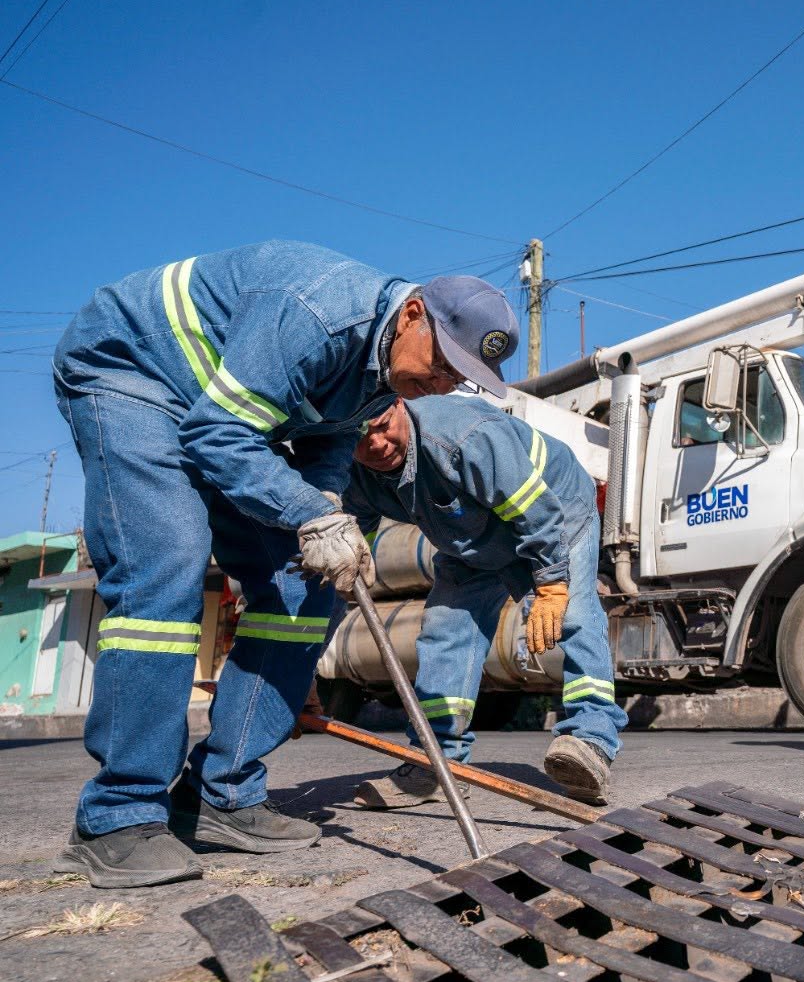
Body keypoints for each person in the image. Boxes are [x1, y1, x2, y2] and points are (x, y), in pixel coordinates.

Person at [51, 242, 518, 888]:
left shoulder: (380, 368)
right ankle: (117, 814)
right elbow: (216, 434)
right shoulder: (317, 313)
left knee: (303, 589)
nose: (440, 384)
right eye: (441, 361)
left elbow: (327, 440)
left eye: (456, 378)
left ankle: (223, 793)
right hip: (133, 368)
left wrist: (324, 508)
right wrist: (307, 511)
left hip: (216, 412)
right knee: (169, 565)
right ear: (413, 313)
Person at [345, 396, 625, 806]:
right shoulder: (361, 474)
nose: (377, 443)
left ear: (401, 406)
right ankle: (437, 762)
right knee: (445, 633)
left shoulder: (463, 437)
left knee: (575, 617)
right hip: (473, 541)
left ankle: (591, 743)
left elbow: (536, 512)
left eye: (384, 425)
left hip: (557, 510)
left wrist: (550, 585)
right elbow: (352, 535)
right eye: (360, 436)